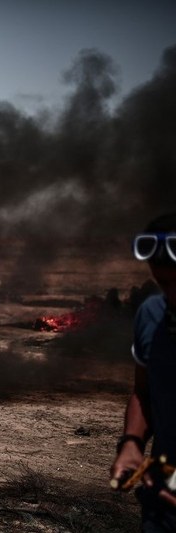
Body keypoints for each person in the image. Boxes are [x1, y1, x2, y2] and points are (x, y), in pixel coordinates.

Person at [110, 211, 176, 531]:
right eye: (164, 284)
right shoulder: (152, 315)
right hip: (161, 509)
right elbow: (144, 392)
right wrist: (132, 442)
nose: (172, 295)